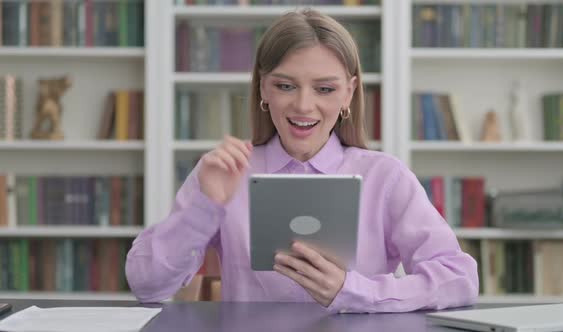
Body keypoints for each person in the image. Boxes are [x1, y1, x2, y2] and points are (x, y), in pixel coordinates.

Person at [125, 8, 478, 313]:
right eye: (285, 86)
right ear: (263, 88)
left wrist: (354, 291)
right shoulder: (225, 172)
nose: (304, 106)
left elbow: (460, 279)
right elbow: (147, 285)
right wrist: (204, 207)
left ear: (349, 93)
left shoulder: (385, 177)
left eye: (324, 89)